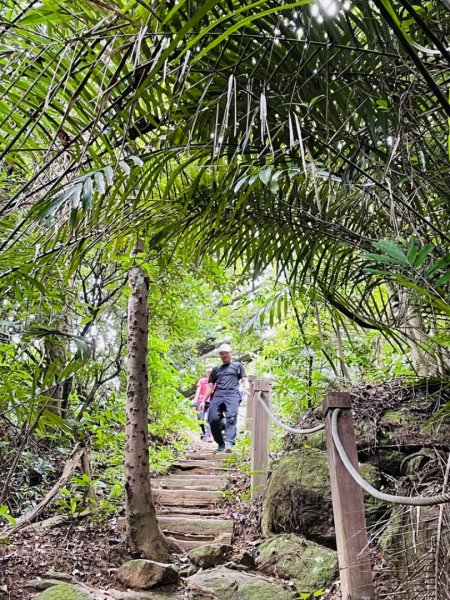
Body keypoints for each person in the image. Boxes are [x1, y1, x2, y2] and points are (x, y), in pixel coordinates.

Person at [207, 344, 249, 452]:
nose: (224, 355)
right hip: (218, 395)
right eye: (222, 353)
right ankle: (220, 443)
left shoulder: (237, 366)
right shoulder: (216, 369)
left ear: (231, 353)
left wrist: (246, 389)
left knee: (231, 417)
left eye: (226, 353)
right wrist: (203, 400)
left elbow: (244, 379)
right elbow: (210, 385)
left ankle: (229, 443)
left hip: (232, 394)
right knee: (212, 419)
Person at [192, 369, 213, 441]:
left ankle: (208, 435)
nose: (209, 374)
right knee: (200, 418)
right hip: (201, 401)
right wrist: (194, 404)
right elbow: (197, 392)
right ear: (206, 373)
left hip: (212, 402)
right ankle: (203, 433)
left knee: (210, 419)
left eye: (211, 373)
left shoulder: (215, 382)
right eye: (208, 373)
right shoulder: (202, 381)